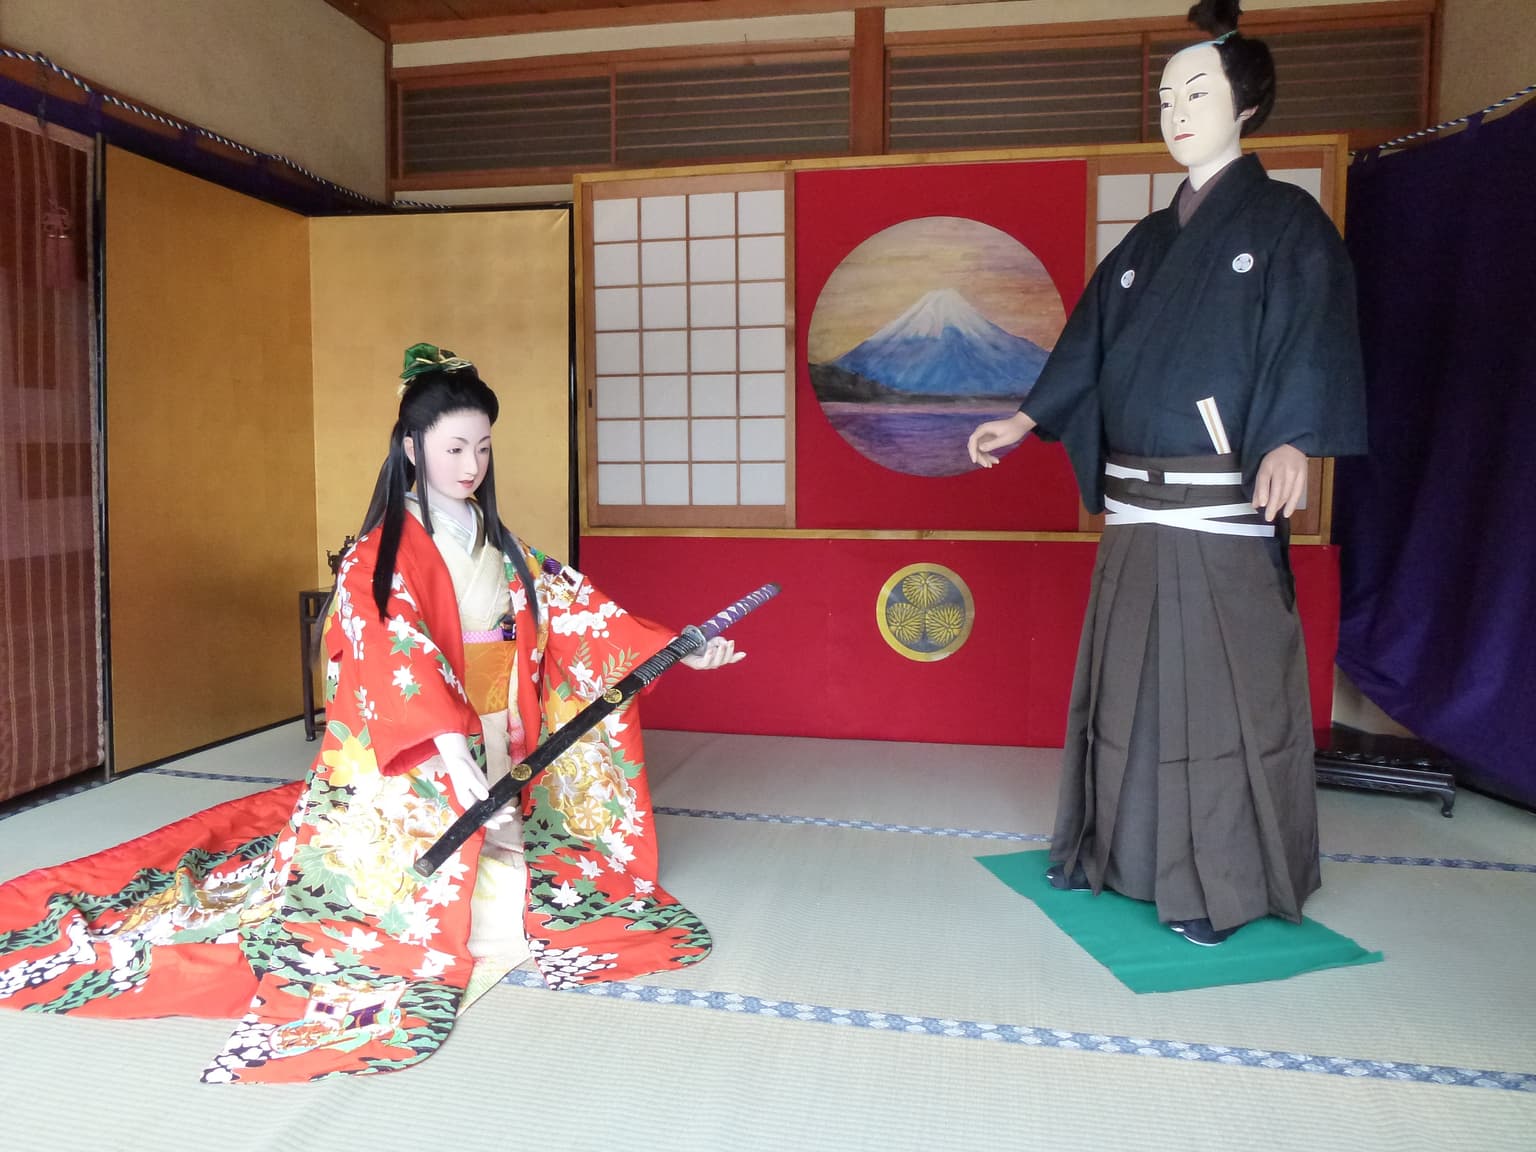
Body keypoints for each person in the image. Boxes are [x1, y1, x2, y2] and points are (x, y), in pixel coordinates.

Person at [0, 343, 743, 1081]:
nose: (471, 465)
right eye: (455, 448)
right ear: (412, 448)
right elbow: (394, 652)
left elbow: (576, 610)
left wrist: (673, 649)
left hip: (498, 731)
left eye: (483, 447)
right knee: (422, 898)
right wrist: (448, 749)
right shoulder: (379, 554)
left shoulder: (496, 538)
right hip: (423, 749)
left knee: (533, 868)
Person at [967, 0, 1367, 946]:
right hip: (1136, 511)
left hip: (1218, 509)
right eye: (1163, 98)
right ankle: (1116, 856)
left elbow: (1310, 335)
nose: (1175, 113)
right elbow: (1089, 345)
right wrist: (1026, 417)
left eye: (1196, 93)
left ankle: (1223, 887)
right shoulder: (1145, 244)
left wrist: (1292, 438)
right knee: (1127, 699)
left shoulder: (1287, 223)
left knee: (1221, 707)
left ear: (1248, 106)